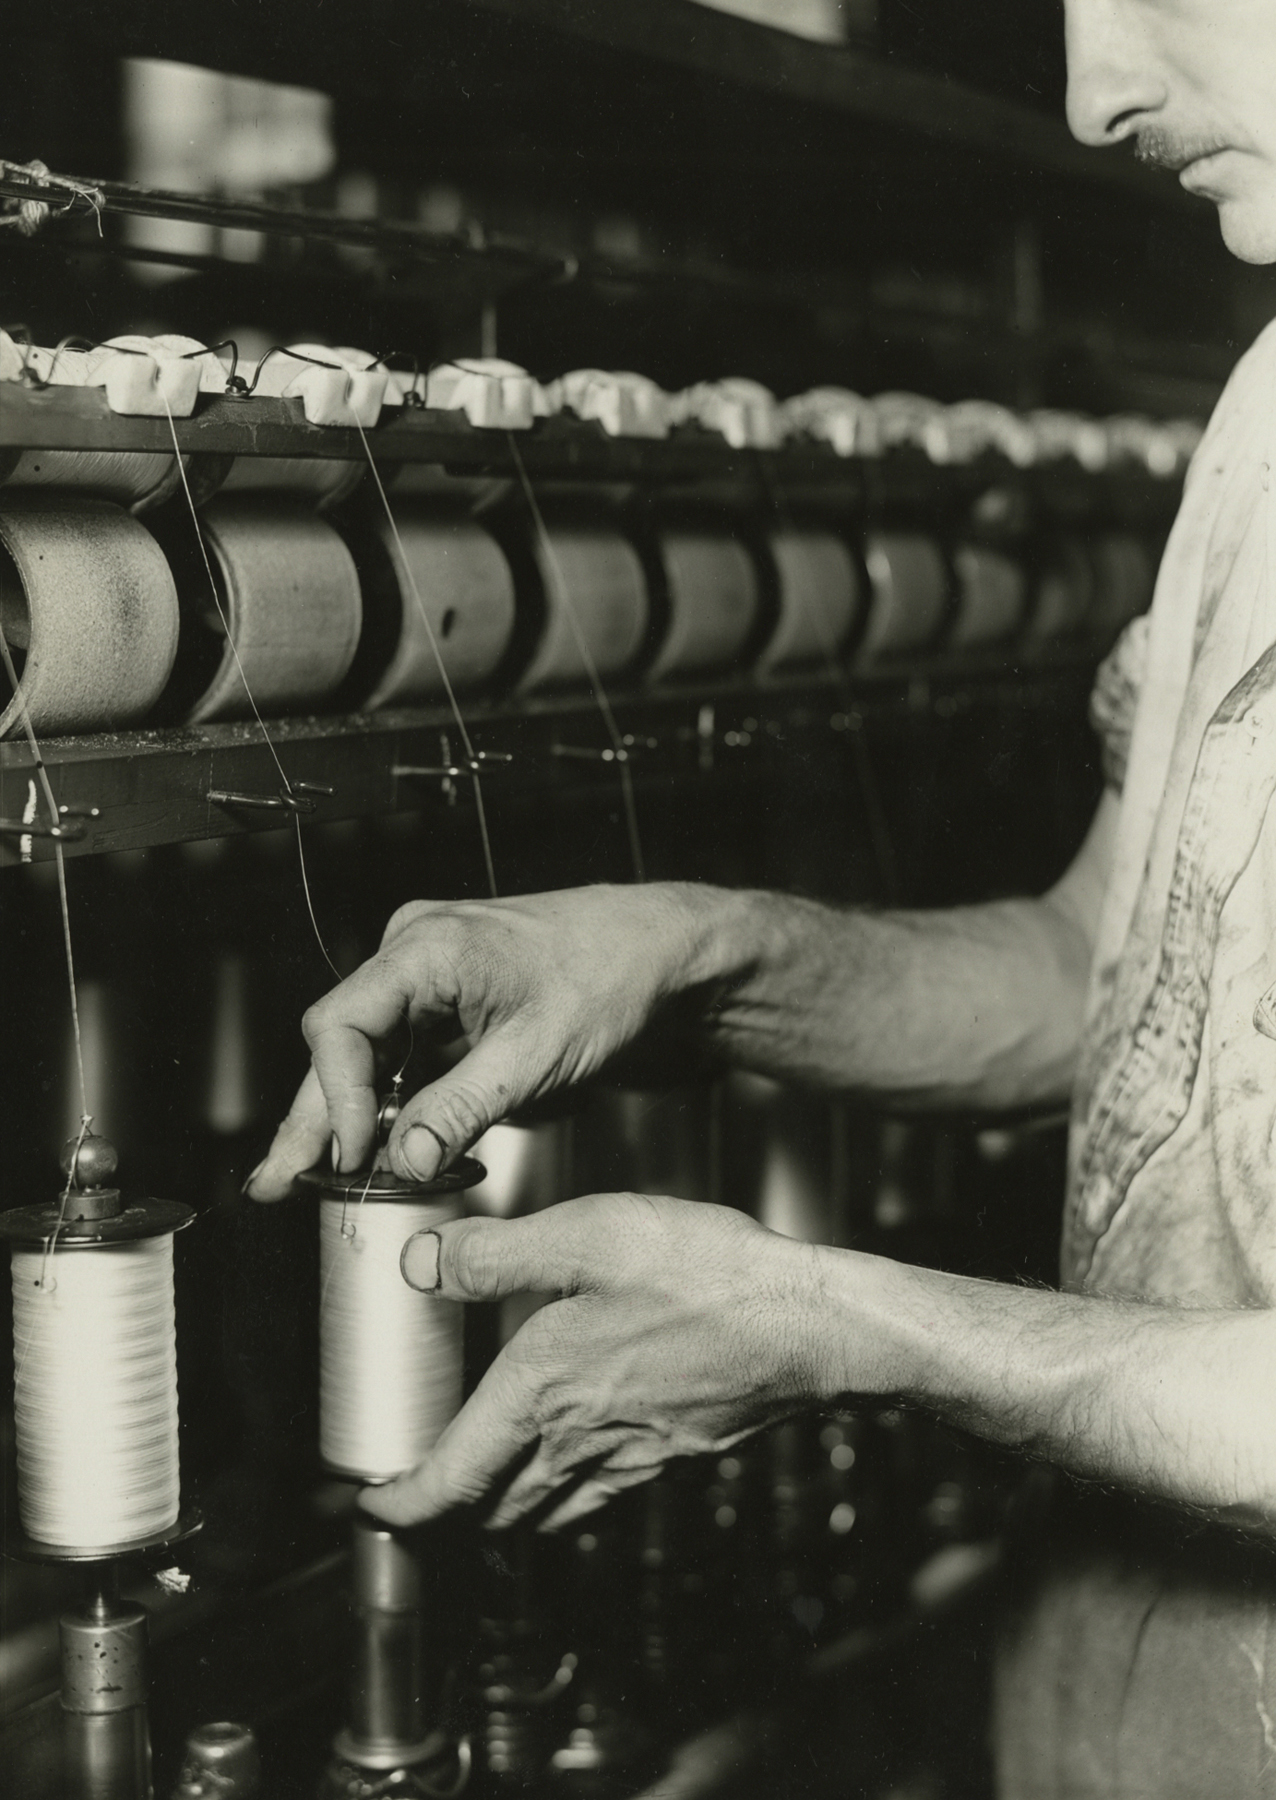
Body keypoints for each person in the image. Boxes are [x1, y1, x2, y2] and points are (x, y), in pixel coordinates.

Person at [247, 1, 1276, 1790]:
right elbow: (1102, 984)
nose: (1099, 93)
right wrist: (693, 957)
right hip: (1119, 1721)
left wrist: (837, 1328)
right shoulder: (1268, 416)